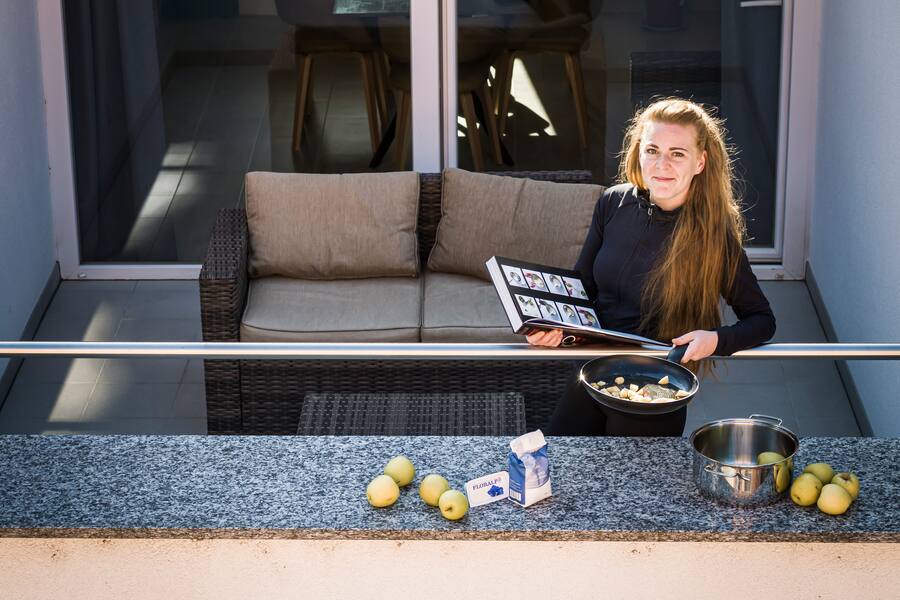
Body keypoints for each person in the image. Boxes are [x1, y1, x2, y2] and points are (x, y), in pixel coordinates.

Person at [528, 98, 776, 436]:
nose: (661, 164)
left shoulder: (715, 237)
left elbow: (762, 321)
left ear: (700, 162)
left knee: (634, 490)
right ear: (638, 152)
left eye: (677, 153)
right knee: (561, 474)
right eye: (652, 149)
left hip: (654, 391)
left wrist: (715, 339)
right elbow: (582, 285)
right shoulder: (612, 202)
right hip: (590, 373)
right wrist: (554, 327)